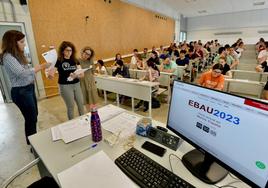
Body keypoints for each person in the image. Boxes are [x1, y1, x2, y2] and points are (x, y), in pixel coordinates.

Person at [0, 30, 49, 145]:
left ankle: (33, 140)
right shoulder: (8, 57)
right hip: (21, 92)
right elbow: (22, 73)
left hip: (28, 89)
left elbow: (28, 72)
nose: (24, 44)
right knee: (30, 118)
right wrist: (41, 67)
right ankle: (33, 144)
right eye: (22, 42)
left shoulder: (18, 55)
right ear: (13, 43)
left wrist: (44, 70)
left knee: (34, 115)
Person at [49, 41, 84, 120]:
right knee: (71, 106)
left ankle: (83, 121)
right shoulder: (59, 60)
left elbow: (82, 75)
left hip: (76, 84)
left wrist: (76, 75)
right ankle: (71, 124)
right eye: (67, 50)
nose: (69, 52)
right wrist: (50, 74)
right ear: (62, 51)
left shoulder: (75, 60)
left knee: (81, 104)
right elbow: (51, 73)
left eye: (70, 50)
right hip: (65, 86)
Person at [78, 46, 98, 111]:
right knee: (85, 97)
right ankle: (89, 112)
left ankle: (94, 112)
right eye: (86, 53)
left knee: (93, 97)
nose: (87, 55)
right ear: (82, 52)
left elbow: (93, 71)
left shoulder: (90, 61)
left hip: (91, 81)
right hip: (82, 81)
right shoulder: (78, 61)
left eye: (89, 54)